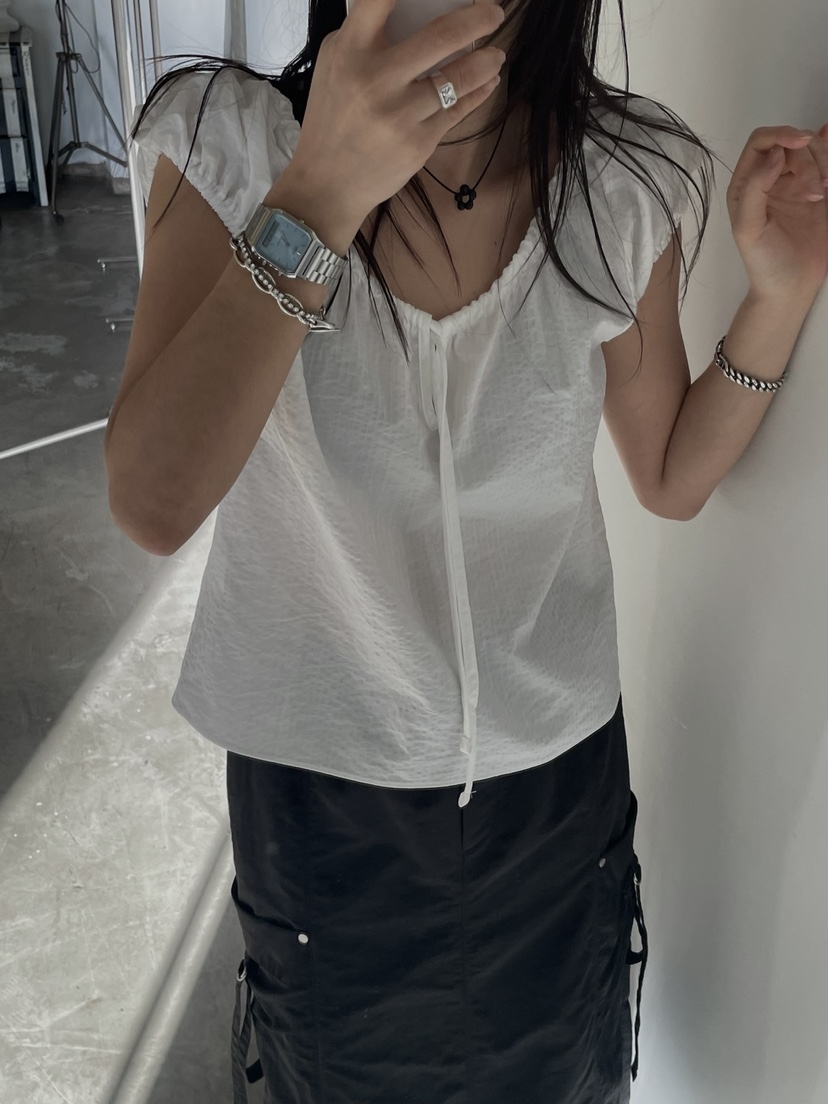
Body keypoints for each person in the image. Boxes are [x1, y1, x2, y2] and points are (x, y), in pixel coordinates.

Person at [105, 0, 721, 1099]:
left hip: (560, 785)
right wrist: (320, 193)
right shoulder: (224, 142)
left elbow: (668, 473)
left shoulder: (625, 179)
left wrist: (782, 296)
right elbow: (154, 501)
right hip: (323, 801)